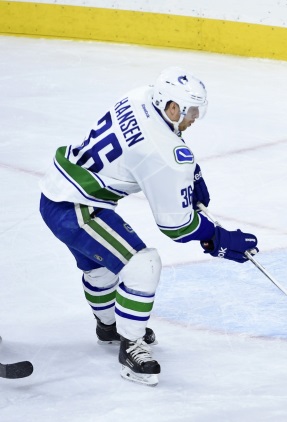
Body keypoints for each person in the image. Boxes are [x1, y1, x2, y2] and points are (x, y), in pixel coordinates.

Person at [39, 67, 258, 386]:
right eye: (192, 110)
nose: (195, 117)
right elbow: (177, 227)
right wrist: (216, 237)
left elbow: (159, 138)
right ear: (172, 108)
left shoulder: (139, 96)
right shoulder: (165, 155)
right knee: (143, 264)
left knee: (100, 269)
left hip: (57, 189)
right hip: (76, 210)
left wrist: (191, 173)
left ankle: (109, 327)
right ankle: (131, 347)